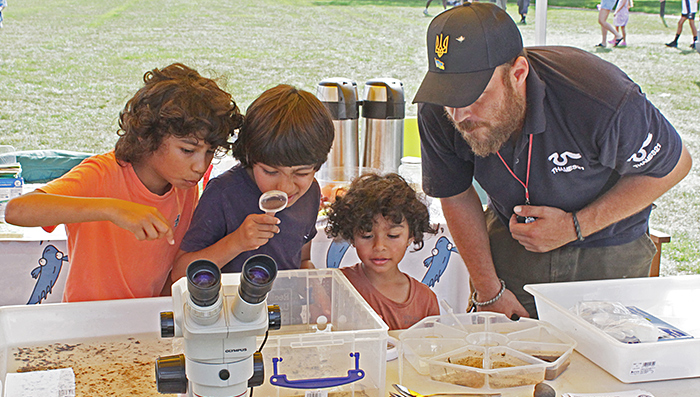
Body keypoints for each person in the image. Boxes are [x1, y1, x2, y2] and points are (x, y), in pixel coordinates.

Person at [413, 4, 692, 318]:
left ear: (518, 74)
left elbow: (674, 165)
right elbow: (455, 192)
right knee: (505, 355)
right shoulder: (438, 109)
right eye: (450, 98)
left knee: (604, 357)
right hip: (512, 240)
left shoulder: (598, 96)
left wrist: (575, 227)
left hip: (609, 246)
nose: (460, 116)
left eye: (474, 96)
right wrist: (489, 290)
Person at [4, 63, 242, 302]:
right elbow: (17, 210)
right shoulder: (101, 173)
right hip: (87, 324)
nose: (200, 167)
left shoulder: (184, 186)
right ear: (147, 135)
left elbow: (170, 273)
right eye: (187, 150)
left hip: (145, 320)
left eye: (210, 152)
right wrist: (113, 209)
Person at [172, 84, 334, 279]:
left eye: (301, 173)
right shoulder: (223, 194)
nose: (284, 187)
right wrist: (236, 242)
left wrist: (314, 283)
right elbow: (180, 274)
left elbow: (301, 259)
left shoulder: (310, 193)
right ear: (250, 157)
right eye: (270, 171)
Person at [325, 173, 440, 330]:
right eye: (367, 235)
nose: (379, 246)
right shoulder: (336, 286)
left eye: (393, 235)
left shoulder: (425, 300)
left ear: (411, 235)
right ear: (351, 236)